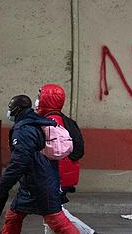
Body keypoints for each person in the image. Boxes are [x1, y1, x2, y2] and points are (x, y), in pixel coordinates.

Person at [0, 95, 77, 234]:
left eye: (10, 108)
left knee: (56, 221)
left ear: (17, 109)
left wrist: (1, 189)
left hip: (40, 185)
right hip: (34, 182)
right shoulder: (35, 122)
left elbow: (18, 163)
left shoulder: (24, 130)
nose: (9, 111)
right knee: (13, 216)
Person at [35, 83, 96, 234]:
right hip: (62, 176)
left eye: (39, 97)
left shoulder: (50, 123)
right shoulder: (65, 120)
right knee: (51, 216)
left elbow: (54, 156)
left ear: (47, 99)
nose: (37, 100)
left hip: (56, 177)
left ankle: (89, 233)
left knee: (55, 214)